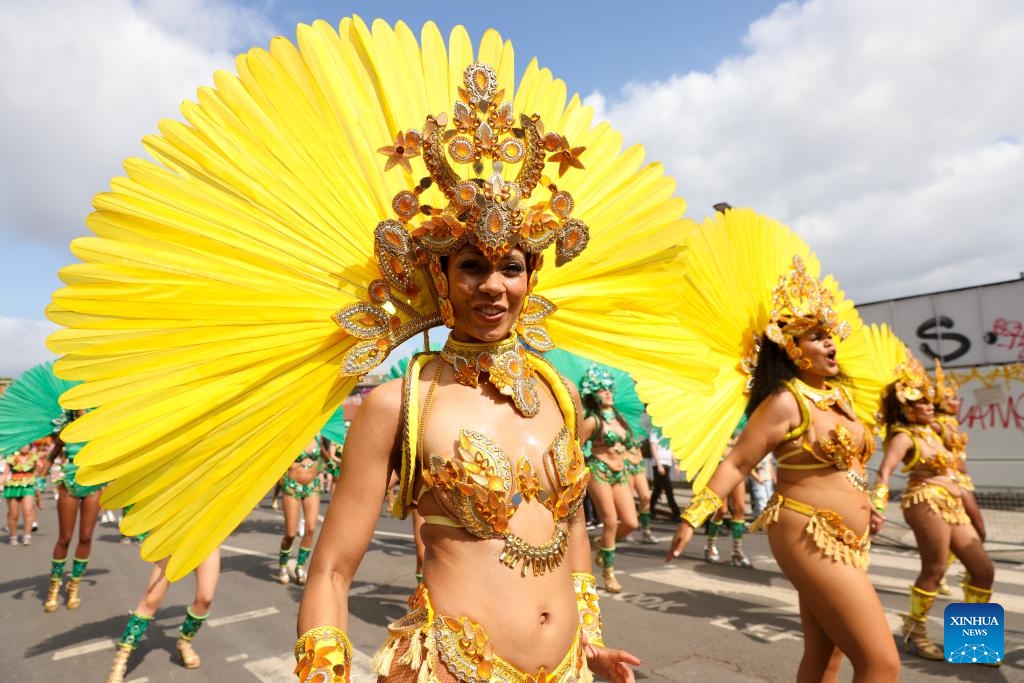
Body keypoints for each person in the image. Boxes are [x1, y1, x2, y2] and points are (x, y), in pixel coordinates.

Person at [41, 19, 712, 682]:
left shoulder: (558, 395)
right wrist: (325, 671)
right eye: (471, 266)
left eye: (510, 265)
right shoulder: (401, 403)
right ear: (440, 278)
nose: (493, 286)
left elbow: (568, 536)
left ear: (533, 276)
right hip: (452, 668)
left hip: (569, 669)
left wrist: (590, 639)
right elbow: (332, 568)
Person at [667, 253, 901, 682]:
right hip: (808, 530)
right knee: (882, 663)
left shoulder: (841, 398)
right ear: (791, 348)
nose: (830, 344)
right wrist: (693, 514)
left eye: (829, 335)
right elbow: (739, 461)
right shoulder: (786, 401)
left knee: (825, 655)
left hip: (853, 539)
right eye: (816, 336)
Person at [872, 356, 995, 661]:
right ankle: (916, 632)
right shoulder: (904, 436)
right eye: (923, 403)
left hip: (952, 504)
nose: (930, 407)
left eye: (931, 402)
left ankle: (972, 643)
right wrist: (878, 504)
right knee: (935, 569)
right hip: (924, 501)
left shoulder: (936, 433)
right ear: (907, 409)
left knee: (982, 569)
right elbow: (885, 471)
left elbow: (957, 467)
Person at [106, 548, 221, 682]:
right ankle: (121, 659)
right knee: (151, 600)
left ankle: (184, 643)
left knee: (205, 599)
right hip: (175, 536)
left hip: (209, 536)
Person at [580, 365, 640, 593]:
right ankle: (608, 573)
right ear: (594, 393)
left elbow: (631, 446)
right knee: (610, 521)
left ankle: (601, 545)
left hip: (620, 472)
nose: (607, 392)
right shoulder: (593, 421)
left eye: (609, 388)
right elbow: (575, 445)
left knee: (630, 522)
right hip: (598, 470)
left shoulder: (620, 418)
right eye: (602, 389)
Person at [41, 410, 107, 613]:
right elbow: (51, 457)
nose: (83, 409)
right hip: (69, 484)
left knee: (86, 537)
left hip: (93, 486)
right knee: (65, 538)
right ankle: (53, 587)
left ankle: (74, 585)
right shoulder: (66, 432)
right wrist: (39, 480)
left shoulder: (99, 432)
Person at [930, 359, 985, 595]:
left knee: (977, 537)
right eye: (951, 398)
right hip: (948, 486)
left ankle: (963, 572)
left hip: (962, 483)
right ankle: (916, 623)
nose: (957, 402)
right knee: (976, 533)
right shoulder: (936, 425)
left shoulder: (951, 423)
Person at [277, 435, 326, 585]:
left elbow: (325, 457)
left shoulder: (319, 436)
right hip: (292, 487)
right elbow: (278, 463)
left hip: (312, 487)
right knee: (291, 534)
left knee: (310, 529)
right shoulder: (293, 434)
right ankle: (283, 566)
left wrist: (334, 466)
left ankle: (300, 567)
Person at [3, 445, 38, 545]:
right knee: (13, 513)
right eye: (22, 445)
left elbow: (39, 471)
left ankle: (27, 536)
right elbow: (5, 473)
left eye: (26, 444)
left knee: (28, 510)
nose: (24, 447)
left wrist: (39, 484)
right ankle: (13, 536)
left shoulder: (33, 457)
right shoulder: (11, 458)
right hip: (13, 486)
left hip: (28, 486)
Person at [648, 426, 680, 521]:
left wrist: (675, 463)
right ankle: (676, 513)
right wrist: (658, 464)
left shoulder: (669, 431)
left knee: (657, 489)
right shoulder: (655, 431)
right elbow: (653, 448)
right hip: (660, 464)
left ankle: (650, 510)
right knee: (668, 488)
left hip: (667, 463)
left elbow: (671, 449)